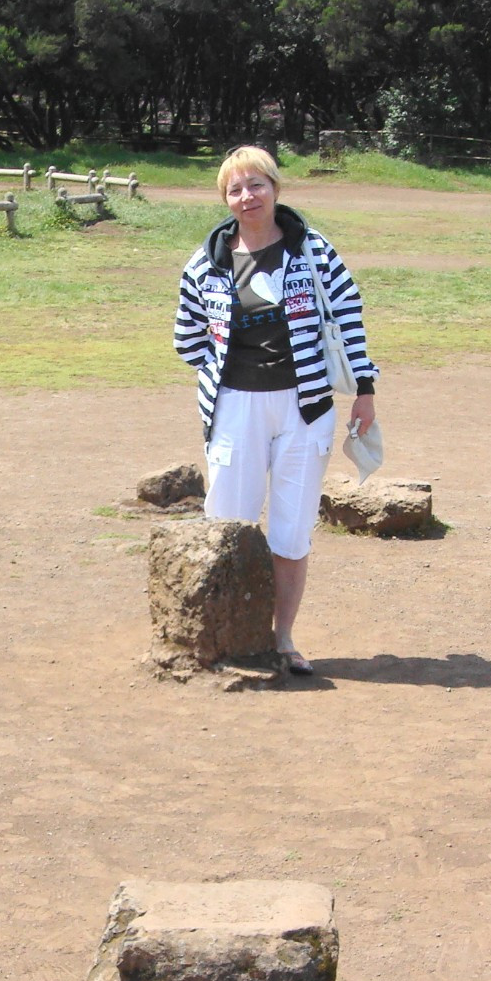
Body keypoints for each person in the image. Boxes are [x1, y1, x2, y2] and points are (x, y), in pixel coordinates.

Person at [172, 145, 379, 675]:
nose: (248, 196)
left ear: (275, 188)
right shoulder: (206, 262)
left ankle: (283, 638)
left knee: (291, 529)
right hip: (235, 407)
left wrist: (365, 388)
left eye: (256, 185)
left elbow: (348, 317)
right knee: (226, 524)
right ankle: (223, 638)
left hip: (304, 408)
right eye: (235, 189)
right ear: (225, 199)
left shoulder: (314, 251)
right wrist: (225, 366)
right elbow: (187, 338)